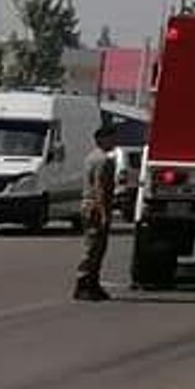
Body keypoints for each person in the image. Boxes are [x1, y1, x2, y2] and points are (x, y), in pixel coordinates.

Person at [74, 121, 118, 302]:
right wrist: (104, 213)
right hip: (95, 207)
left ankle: (93, 284)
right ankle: (84, 283)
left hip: (90, 205)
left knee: (97, 247)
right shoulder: (102, 160)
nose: (114, 141)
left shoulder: (92, 156)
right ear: (102, 139)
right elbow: (100, 188)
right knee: (93, 247)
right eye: (111, 138)